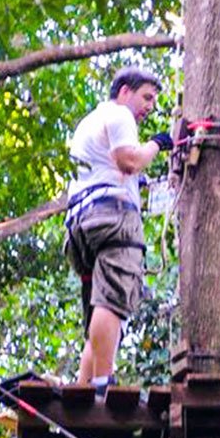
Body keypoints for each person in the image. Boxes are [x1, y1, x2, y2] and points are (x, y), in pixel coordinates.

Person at [64, 67, 173, 393]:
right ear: (125, 90)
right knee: (112, 302)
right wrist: (157, 144)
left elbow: (114, 169)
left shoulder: (91, 122)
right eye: (146, 97)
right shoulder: (119, 114)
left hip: (82, 225)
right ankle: (102, 385)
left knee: (100, 308)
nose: (149, 106)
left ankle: (84, 384)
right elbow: (128, 160)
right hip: (111, 220)